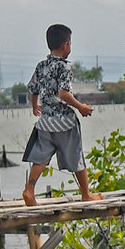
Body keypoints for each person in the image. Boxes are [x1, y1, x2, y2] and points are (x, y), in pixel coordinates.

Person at [23, 23, 96, 206]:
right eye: (70, 43)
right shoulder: (64, 68)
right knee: (75, 155)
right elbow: (64, 94)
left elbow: (32, 88)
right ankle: (86, 193)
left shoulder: (41, 66)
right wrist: (81, 107)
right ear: (66, 45)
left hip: (45, 121)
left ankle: (29, 190)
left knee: (41, 157)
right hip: (64, 122)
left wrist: (35, 106)